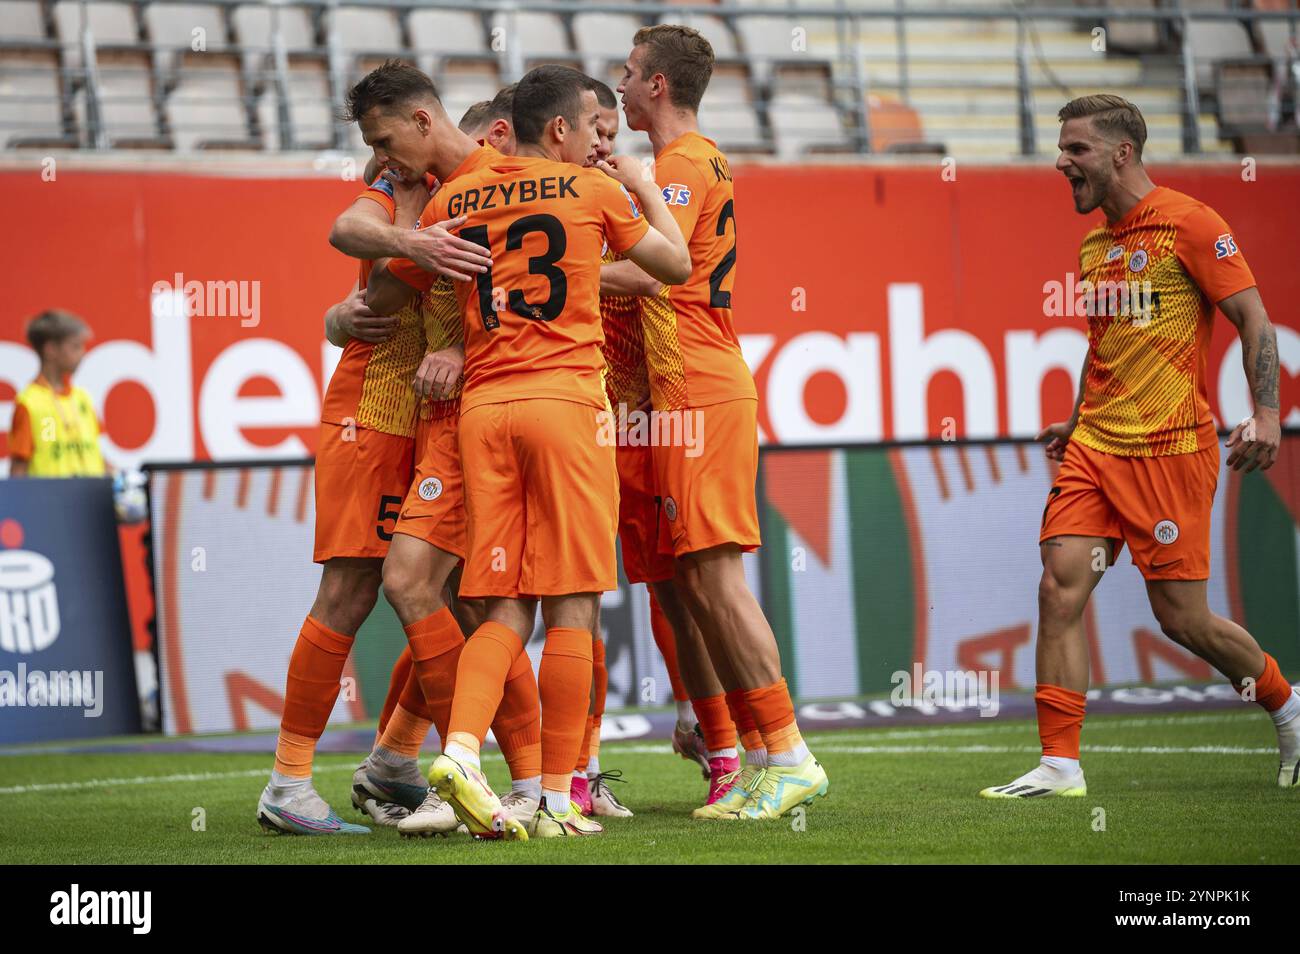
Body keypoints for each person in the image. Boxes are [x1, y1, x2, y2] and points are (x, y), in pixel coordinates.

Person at [365, 63, 690, 839]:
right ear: (560, 131)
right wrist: (642, 187)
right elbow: (675, 267)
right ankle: (551, 790)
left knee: (501, 603)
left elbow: (388, 288)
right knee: (574, 605)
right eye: (592, 129)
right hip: (565, 405)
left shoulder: (451, 199)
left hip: (482, 412)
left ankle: (466, 753)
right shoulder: (595, 192)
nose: (598, 144)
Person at [981, 94, 1295, 799]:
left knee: (1181, 619)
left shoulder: (1193, 224)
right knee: (1058, 588)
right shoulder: (1095, 247)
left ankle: (1286, 704)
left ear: (1121, 153)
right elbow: (1107, 349)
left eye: (1076, 149)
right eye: (1061, 148)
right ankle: (1059, 766)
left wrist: (1267, 414)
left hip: (1170, 451)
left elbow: (1255, 321)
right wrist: (1074, 417)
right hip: (1096, 448)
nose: (1061, 161)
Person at [617, 24, 828, 820]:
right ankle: (758, 751)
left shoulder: (675, 167)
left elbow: (649, 272)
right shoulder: (695, 161)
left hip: (701, 388)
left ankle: (788, 753)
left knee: (716, 579)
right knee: (697, 583)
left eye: (631, 74)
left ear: (658, 85)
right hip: (685, 391)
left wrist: (556, 270)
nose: (622, 85)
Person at [9, 310, 108, 478]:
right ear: (51, 350)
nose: (82, 352)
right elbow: (18, 470)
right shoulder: (30, 403)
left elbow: (96, 456)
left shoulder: (82, 399)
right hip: (50, 502)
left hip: (90, 500)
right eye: (75, 346)